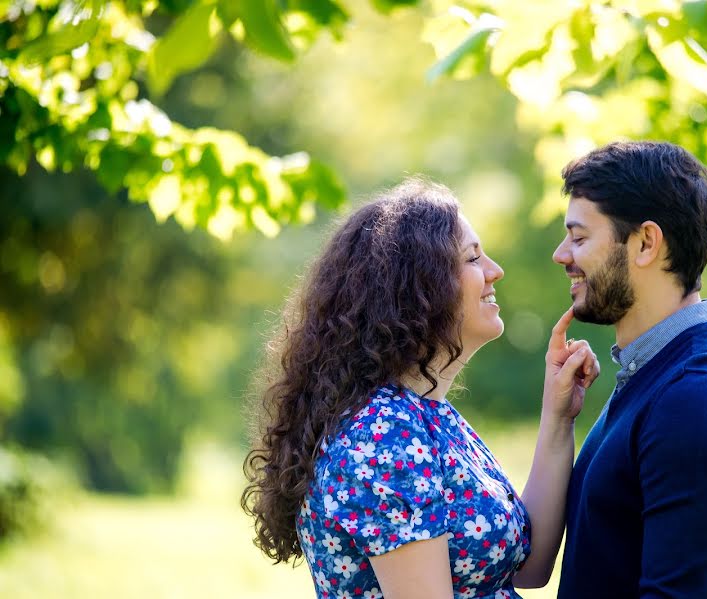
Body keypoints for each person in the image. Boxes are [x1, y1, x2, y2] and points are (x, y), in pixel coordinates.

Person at [241, 178, 600, 599]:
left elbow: (530, 567)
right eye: (473, 258)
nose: (495, 271)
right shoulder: (383, 437)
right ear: (421, 288)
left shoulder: (426, 416)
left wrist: (557, 415)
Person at [553, 141, 707, 598]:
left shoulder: (701, 398)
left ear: (645, 243)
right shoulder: (658, 375)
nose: (562, 255)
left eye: (579, 238)